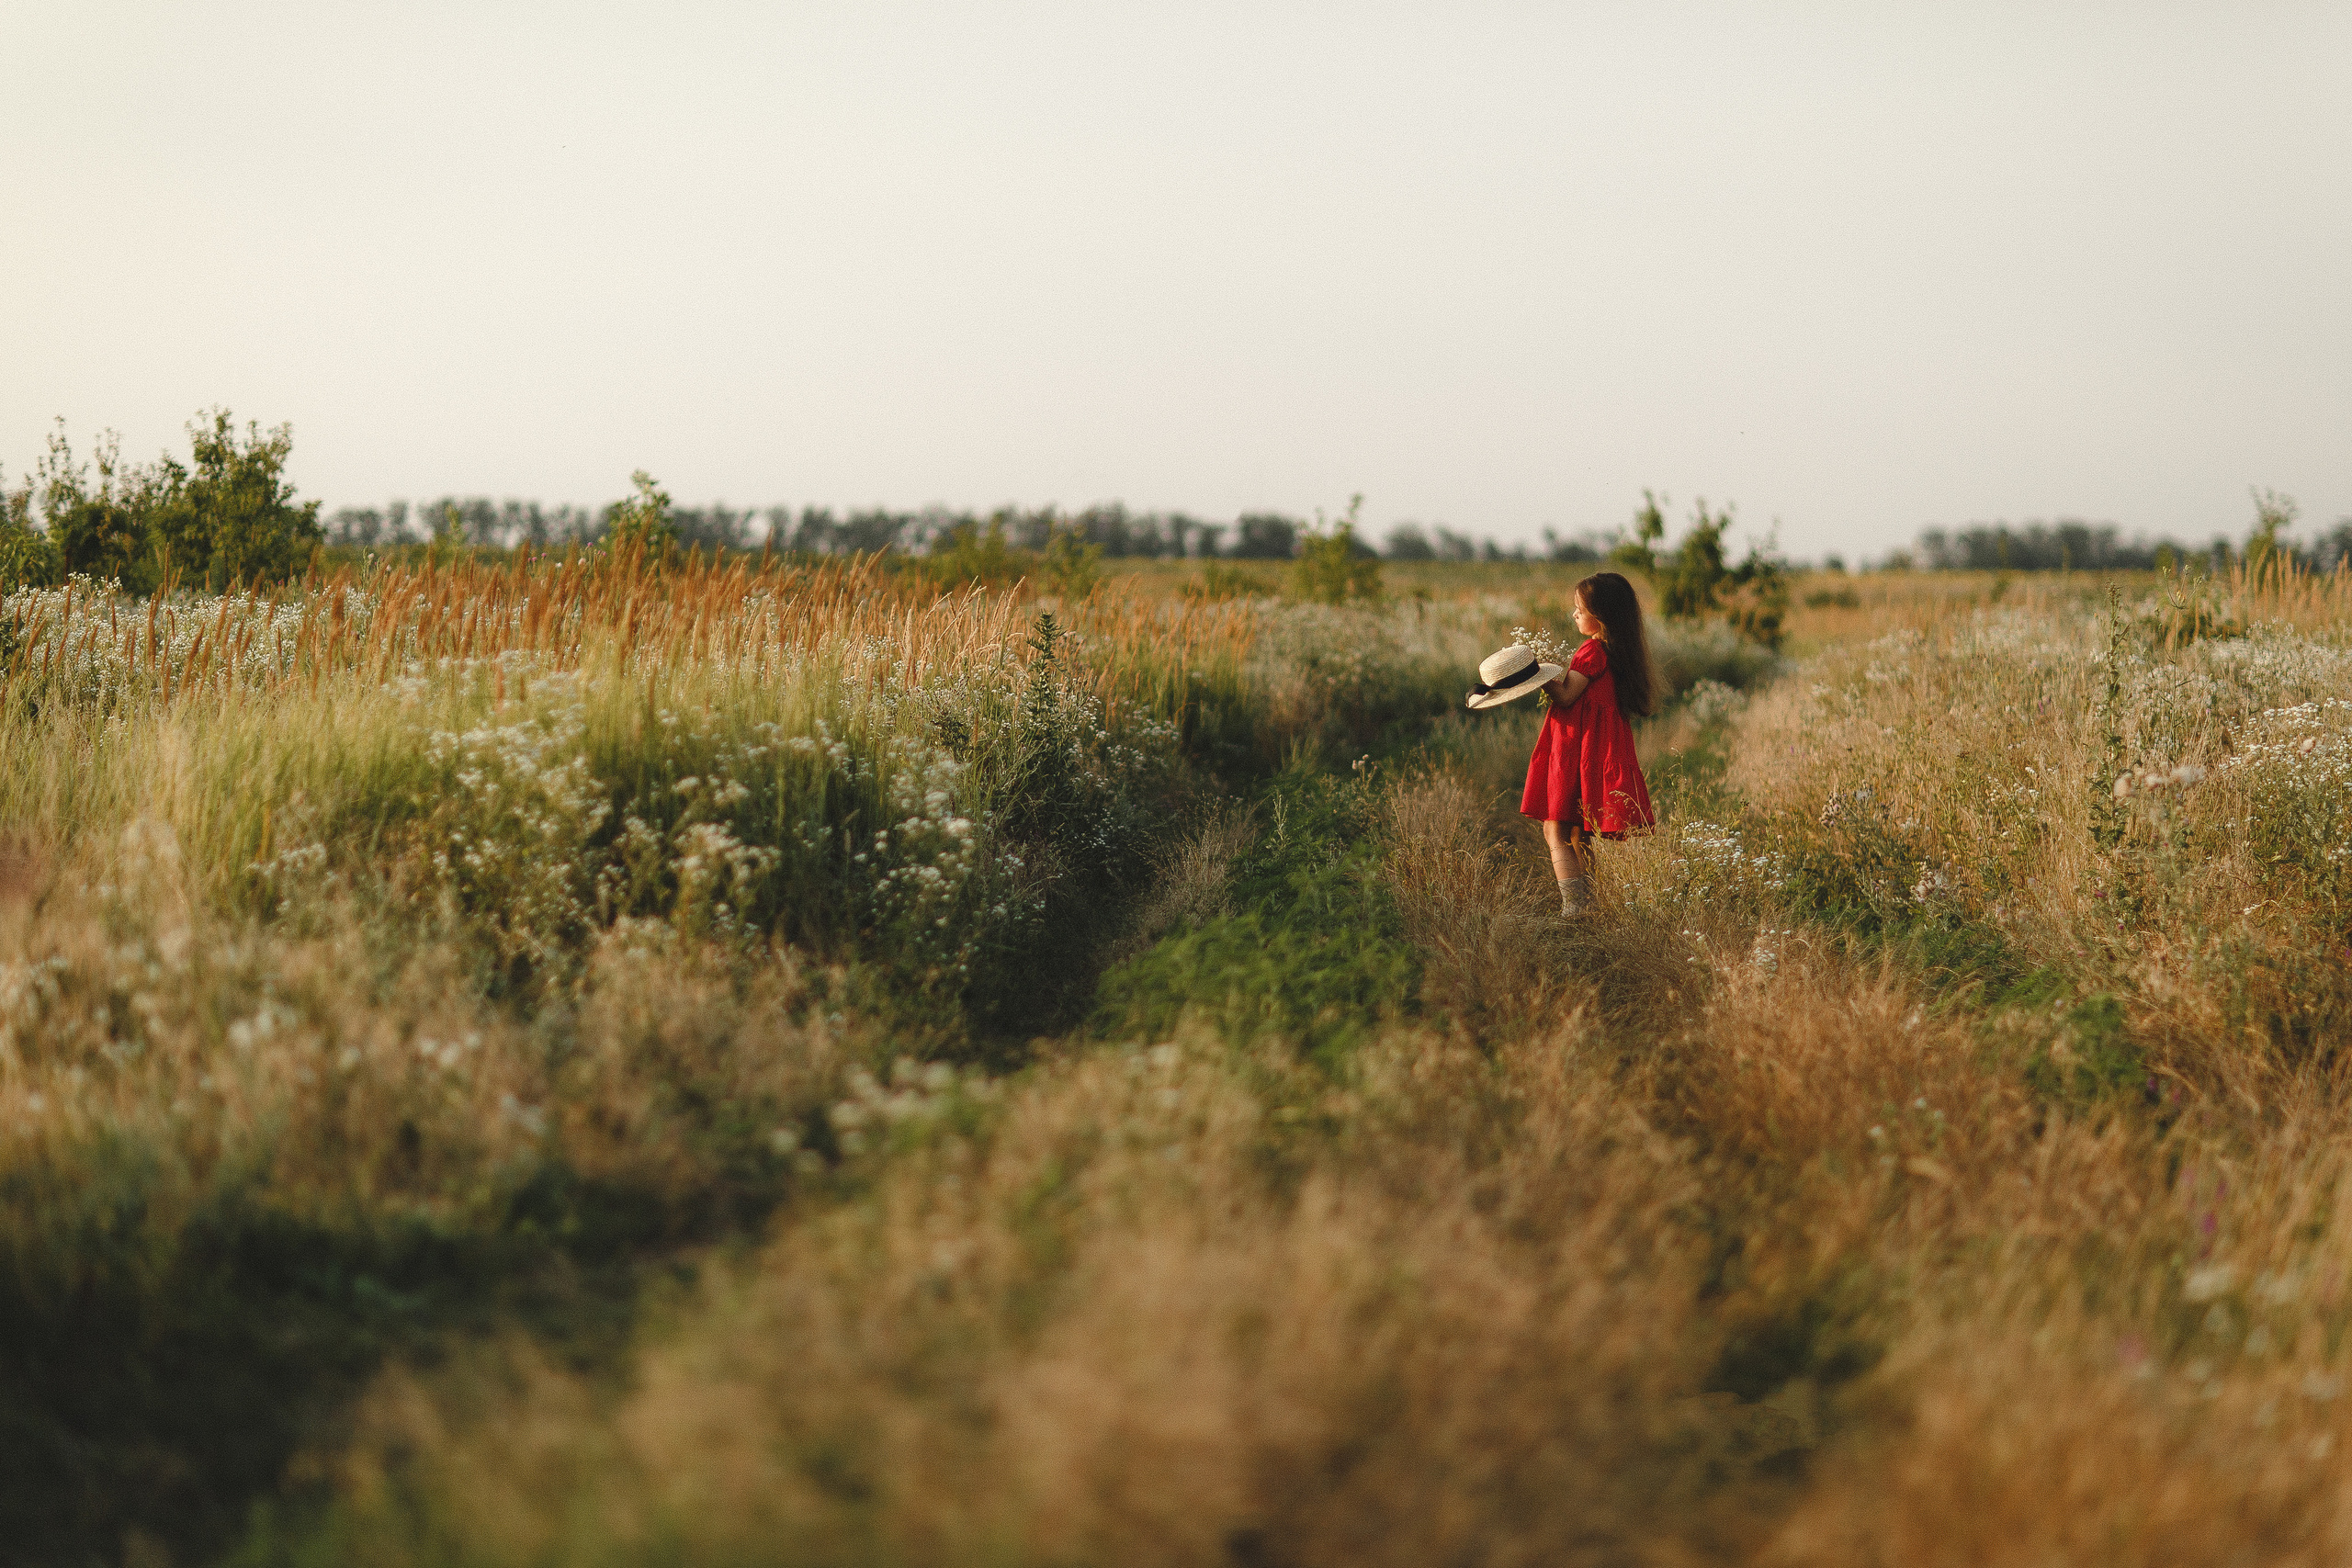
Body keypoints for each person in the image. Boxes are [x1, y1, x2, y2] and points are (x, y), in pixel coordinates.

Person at [1465, 571, 1657, 916]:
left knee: (1555, 829)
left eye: (1579, 609)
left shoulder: (1592, 652)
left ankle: (1575, 907)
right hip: (1591, 748)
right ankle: (1591, 905)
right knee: (1576, 832)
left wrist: (1536, 677)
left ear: (1602, 615)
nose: (1574, 615)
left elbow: (1567, 696)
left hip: (1576, 749)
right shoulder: (1616, 653)